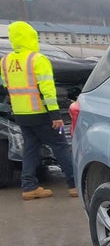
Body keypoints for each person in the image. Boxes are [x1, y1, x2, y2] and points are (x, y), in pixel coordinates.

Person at [0, 21, 76, 200]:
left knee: (31, 149)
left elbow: (5, 85)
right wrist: (55, 115)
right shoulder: (37, 59)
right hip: (42, 114)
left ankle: (29, 187)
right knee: (60, 145)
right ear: (31, 37)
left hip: (21, 114)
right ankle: (75, 184)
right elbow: (48, 91)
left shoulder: (5, 61)